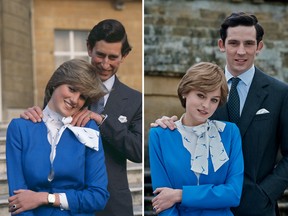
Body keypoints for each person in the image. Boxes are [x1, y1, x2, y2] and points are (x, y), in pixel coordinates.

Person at [151, 12, 288, 216]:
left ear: (259, 47)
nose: (241, 51)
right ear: (221, 45)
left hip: (258, 207)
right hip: (205, 206)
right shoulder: (204, 89)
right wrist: (168, 122)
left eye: (249, 44)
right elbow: (192, 125)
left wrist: (266, 193)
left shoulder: (280, 93)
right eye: (233, 43)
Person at [20, 19, 142, 216]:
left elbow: (137, 151)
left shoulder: (136, 100)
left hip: (113, 204)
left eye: (113, 57)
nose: (105, 64)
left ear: (124, 56)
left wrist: (101, 121)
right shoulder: (65, 87)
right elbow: (47, 131)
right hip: (66, 203)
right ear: (89, 48)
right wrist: (32, 117)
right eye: (100, 55)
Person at [6, 59, 110, 215]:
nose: (75, 100)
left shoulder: (88, 130)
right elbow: (17, 200)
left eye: (82, 96)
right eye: (72, 89)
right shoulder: (20, 128)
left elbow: (98, 197)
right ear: (56, 83)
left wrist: (45, 198)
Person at [149, 62, 244, 215]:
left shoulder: (230, 133)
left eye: (214, 100)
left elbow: (233, 194)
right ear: (185, 92)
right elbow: (162, 200)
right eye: (201, 95)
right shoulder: (160, 135)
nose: (206, 105)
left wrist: (180, 195)